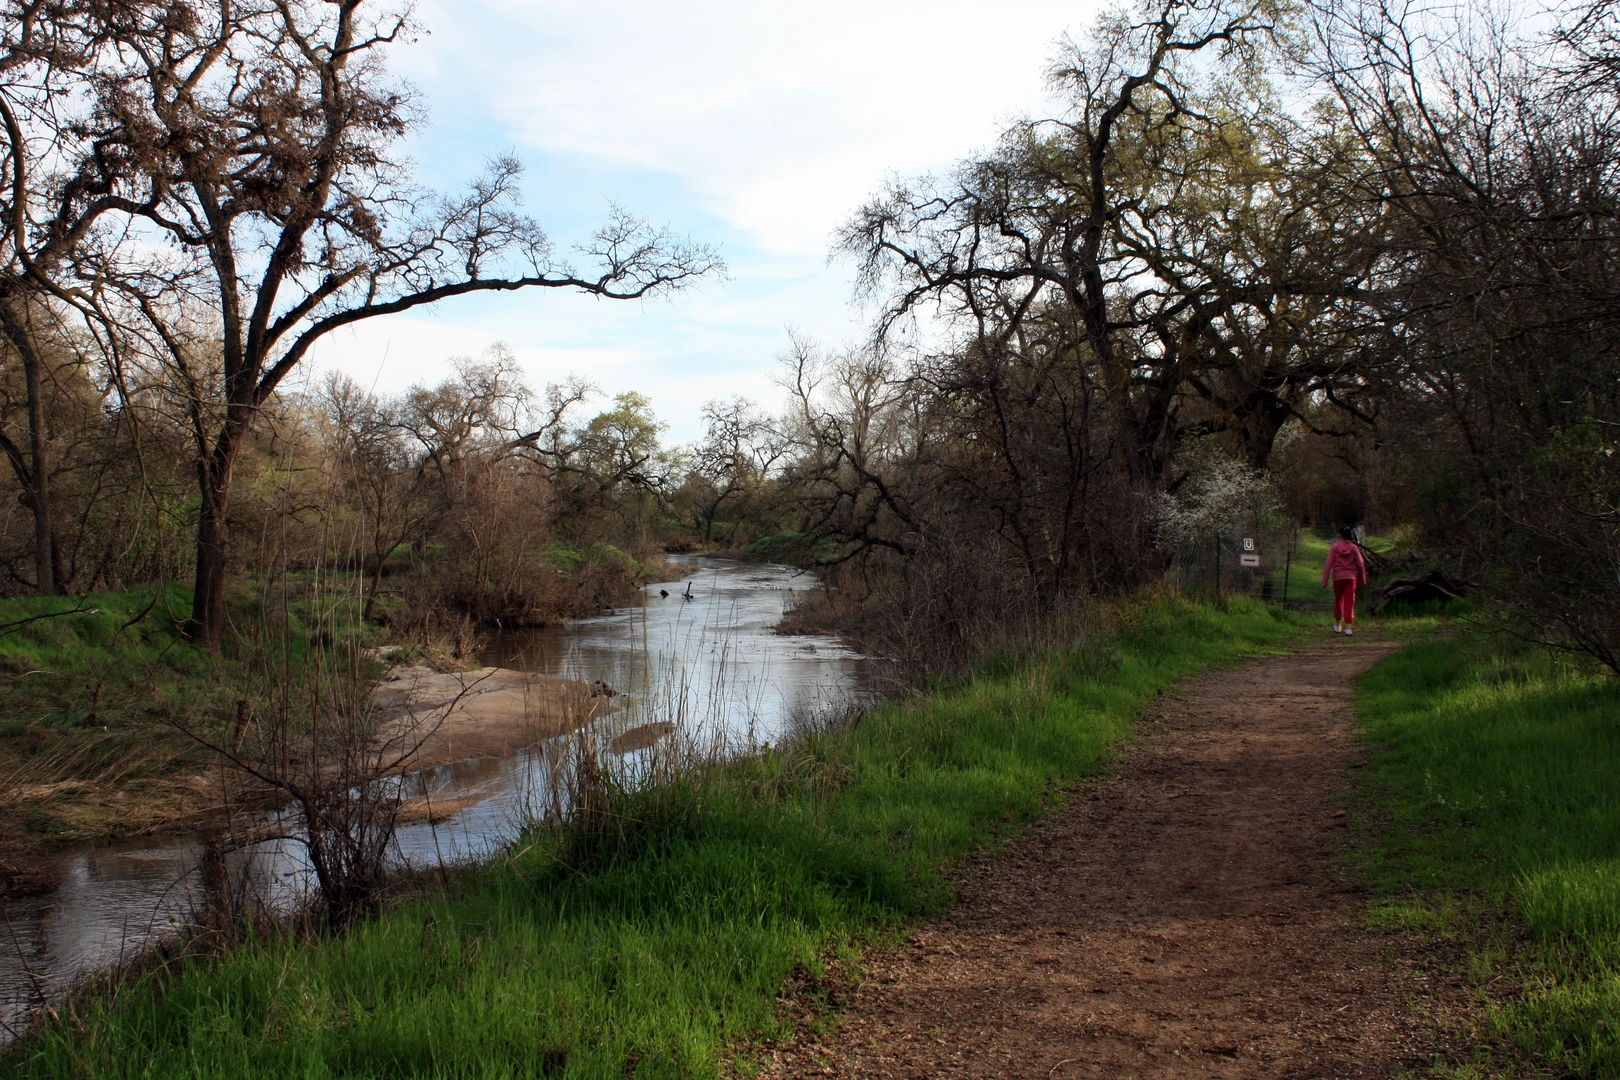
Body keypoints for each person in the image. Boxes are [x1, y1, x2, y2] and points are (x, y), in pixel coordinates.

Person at [1321, 525, 1369, 634]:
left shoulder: (1335, 547)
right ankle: (1348, 627)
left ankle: (1338, 625)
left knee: (1339, 600)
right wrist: (1362, 579)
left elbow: (1328, 564)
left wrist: (1324, 581)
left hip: (1338, 578)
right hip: (1350, 578)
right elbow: (1360, 564)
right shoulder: (1354, 548)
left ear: (1340, 536)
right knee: (1350, 600)